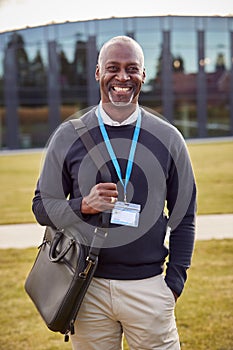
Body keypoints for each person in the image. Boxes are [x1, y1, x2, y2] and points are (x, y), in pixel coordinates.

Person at [32, 36, 196, 350]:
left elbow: (184, 216)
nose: (122, 77)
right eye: (113, 68)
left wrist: (174, 282)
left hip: (149, 288)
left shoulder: (169, 138)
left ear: (143, 76)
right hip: (85, 288)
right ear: (98, 73)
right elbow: (41, 207)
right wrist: (84, 205)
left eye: (132, 69)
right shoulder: (68, 136)